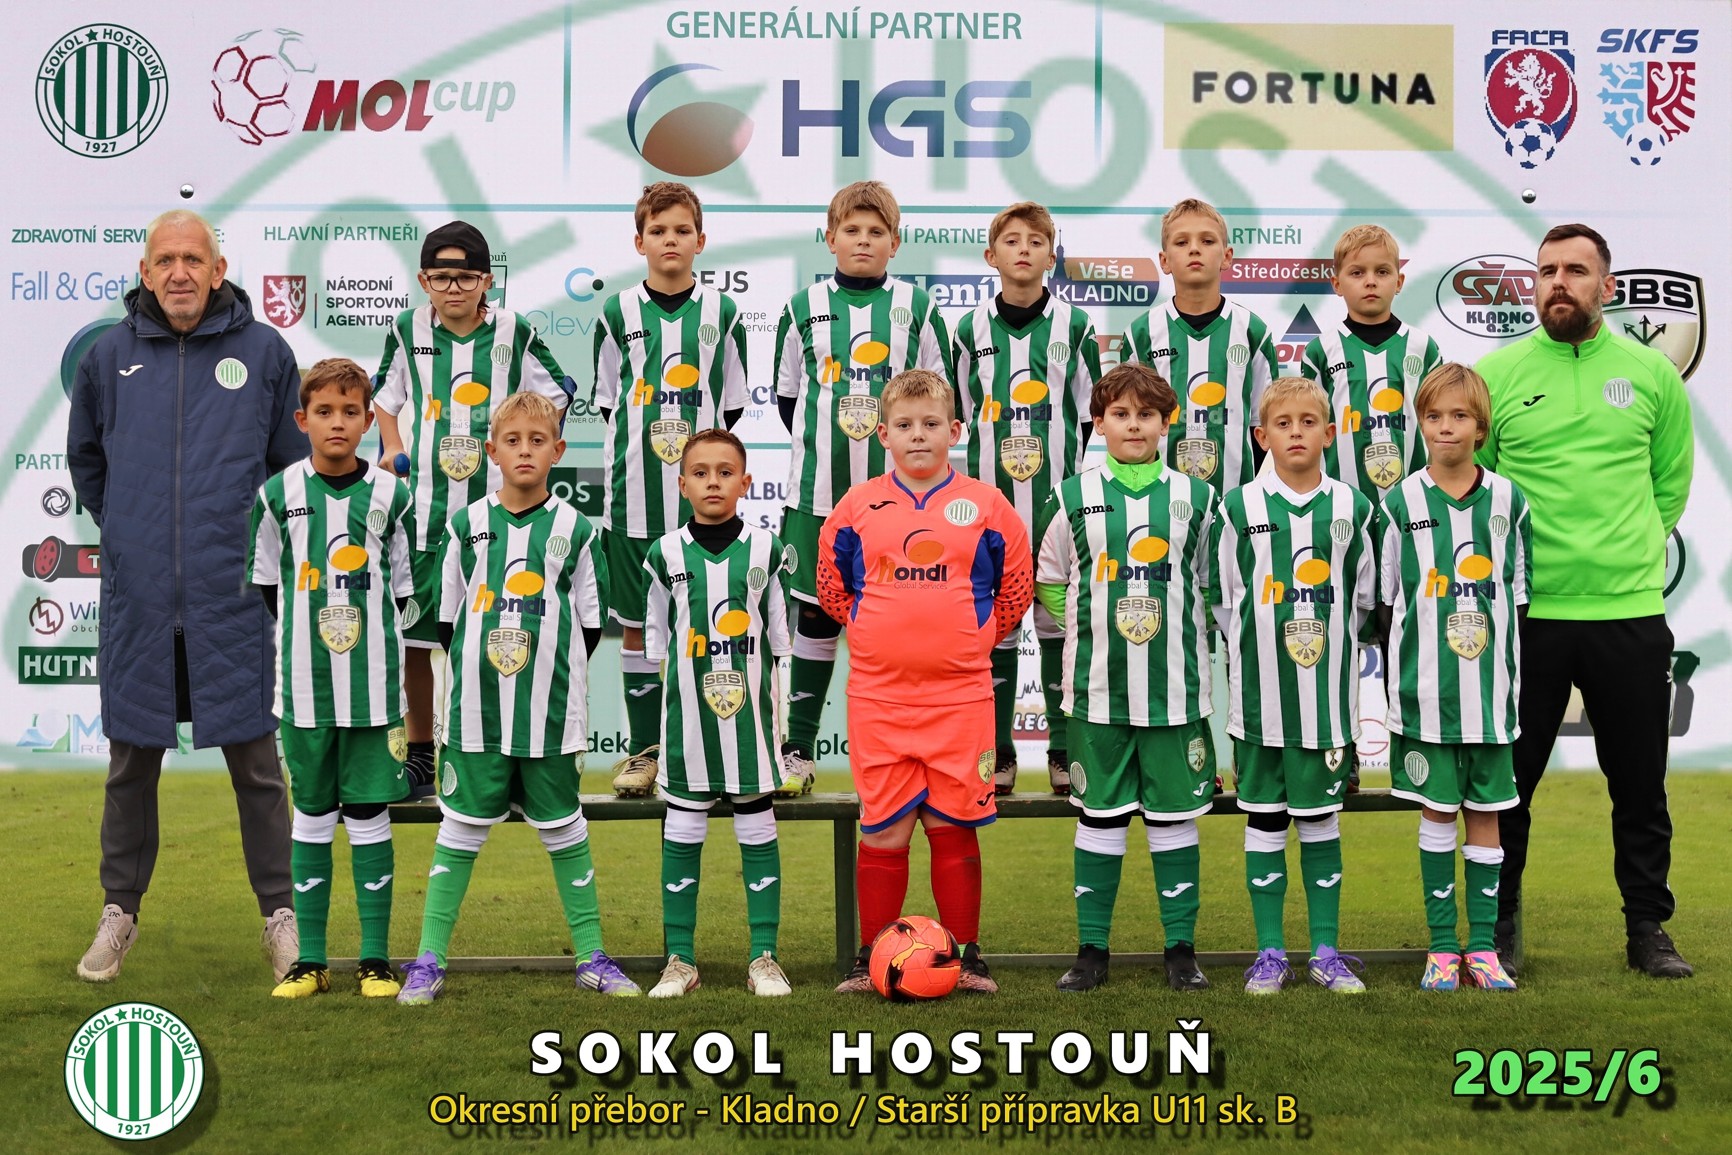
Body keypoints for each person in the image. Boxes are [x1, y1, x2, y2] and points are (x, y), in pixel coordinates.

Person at [68, 209, 305, 983]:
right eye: (165, 260)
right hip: (139, 599)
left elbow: (291, 469)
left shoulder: (265, 352)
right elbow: (88, 464)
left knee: (258, 767)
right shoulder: (108, 357)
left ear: (217, 269)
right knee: (131, 765)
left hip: (230, 595)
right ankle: (118, 912)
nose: (178, 272)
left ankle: (282, 916)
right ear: (144, 271)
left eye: (192, 259)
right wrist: (132, 533)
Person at [1476, 223, 1696, 979]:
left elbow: (1670, 483)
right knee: (1507, 789)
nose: (1558, 283)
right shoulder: (1497, 374)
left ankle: (1648, 929)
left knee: (1639, 787)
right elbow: (1480, 485)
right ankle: (1498, 926)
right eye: (1546, 271)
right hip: (1526, 615)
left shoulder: (1651, 373)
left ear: (1606, 285)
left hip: (1626, 613)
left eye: (1575, 270)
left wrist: (1626, 550)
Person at [397, 392, 638, 1004]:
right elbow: (448, 622)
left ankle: (591, 956)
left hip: (551, 716)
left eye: (537, 440)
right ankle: (428, 960)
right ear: (491, 452)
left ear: (558, 450)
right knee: (459, 830)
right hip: (476, 715)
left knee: (564, 830)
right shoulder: (465, 526)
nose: (525, 450)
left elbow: (589, 625)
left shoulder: (577, 530)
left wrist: (546, 672)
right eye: (513, 440)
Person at [816, 369, 1033, 994]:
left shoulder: (987, 504)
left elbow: (1015, 587)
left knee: (952, 826)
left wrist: (975, 638)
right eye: (905, 425)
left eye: (931, 424)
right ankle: (870, 959)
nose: (918, 435)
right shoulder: (856, 506)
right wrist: (869, 627)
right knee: (884, 828)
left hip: (961, 698)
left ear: (954, 431)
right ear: (882, 434)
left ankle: (967, 958)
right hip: (879, 698)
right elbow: (832, 587)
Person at [1034, 364, 1219, 992]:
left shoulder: (1198, 498)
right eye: (1120, 414)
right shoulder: (1071, 496)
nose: (1133, 425)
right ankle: (1092, 952)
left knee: (1173, 822)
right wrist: (1093, 624)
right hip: (1097, 696)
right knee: (1100, 820)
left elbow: (1213, 587)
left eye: (1146, 414)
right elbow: (1051, 582)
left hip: (1175, 695)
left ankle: (1181, 952)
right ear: (1099, 423)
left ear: (1167, 423)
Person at [373, 221, 573, 798]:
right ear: (423, 281)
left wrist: (523, 448)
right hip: (423, 518)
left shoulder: (514, 330)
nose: (453, 288)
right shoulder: (406, 328)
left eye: (465, 277)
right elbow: (385, 396)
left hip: (493, 522)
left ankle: (501, 749)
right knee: (415, 642)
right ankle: (420, 753)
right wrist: (393, 445)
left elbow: (558, 391)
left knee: (497, 634)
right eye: (441, 278)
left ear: (487, 280)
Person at [774, 181, 953, 794]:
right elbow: (790, 399)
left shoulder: (917, 307)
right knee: (816, 618)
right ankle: (798, 750)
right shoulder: (802, 307)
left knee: (901, 619)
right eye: (851, 230)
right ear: (830, 238)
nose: (863, 241)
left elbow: (935, 399)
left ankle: (909, 751)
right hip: (819, 496)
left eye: (876, 232)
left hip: (899, 504)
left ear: (895, 243)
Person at [246, 358, 415, 998]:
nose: (337, 422)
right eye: (324, 411)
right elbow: (270, 585)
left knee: (368, 816)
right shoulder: (276, 495)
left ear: (370, 420)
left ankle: (375, 960)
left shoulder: (392, 496)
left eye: (350, 411)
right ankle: (310, 961)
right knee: (312, 817)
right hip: (305, 693)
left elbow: (404, 591)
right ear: (302, 420)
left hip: (374, 694)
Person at [1210, 377, 1376, 994]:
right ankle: (1270, 953)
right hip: (1259, 707)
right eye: (1283, 424)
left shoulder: (1353, 508)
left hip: (1325, 707)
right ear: (1261, 436)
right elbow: (1224, 599)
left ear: (1330, 433)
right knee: (1264, 822)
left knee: (1320, 822)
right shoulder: (1236, 508)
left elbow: (1362, 600)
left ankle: (1326, 952)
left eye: (1309, 422)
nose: (1297, 433)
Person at [592, 183, 749, 797]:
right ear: (640, 242)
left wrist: (700, 474)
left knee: (709, 624)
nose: (670, 240)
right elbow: (611, 403)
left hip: (699, 508)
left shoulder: (722, 314)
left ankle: (706, 747)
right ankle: (644, 750)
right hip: (634, 501)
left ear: (700, 240)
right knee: (637, 628)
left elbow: (728, 411)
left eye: (682, 230)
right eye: (658, 231)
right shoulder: (616, 313)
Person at [1380, 364, 1530, 992]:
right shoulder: (1399, 502)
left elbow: (1516, 595)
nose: (1446, 427)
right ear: (1420, 423)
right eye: (1434, 416)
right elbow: (1388, 599)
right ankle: (1442, 948)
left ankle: (1483, 949)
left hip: (1490, 700)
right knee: (1439, 814)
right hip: (1426, 699)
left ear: (1480, 427)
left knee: (1486, 815)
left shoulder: (1509, 500)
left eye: (1460, 416)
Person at [954, 201, 1101, 796]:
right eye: (1012, 241)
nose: (1024, 249)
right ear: (991, 256)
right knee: (997, 631)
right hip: (986, 515)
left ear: (1051, 256)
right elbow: (961, 415)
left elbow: (1088, 417)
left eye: (1036, 241)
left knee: (1059, 626)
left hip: (1056, 512)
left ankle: (1063, 753)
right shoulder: (968, 330)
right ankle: (1000, 752)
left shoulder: (1077, 327)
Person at [642, 430, 794, 998]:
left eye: (725, 472)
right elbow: (657, 642)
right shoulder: (663, 554)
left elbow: (779, 642)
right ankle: (680, 960)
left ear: (745, 482)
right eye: (701, 473)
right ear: (682, 484)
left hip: (750, 725)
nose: (713, 482)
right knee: (683, 830)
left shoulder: (768, 551)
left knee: (757, 829)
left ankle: (764, 957)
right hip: (688, 725)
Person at [1121, 198, 1279, 496]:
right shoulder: (1142, 334)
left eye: (1207, 241)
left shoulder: (1252, 331)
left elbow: (1263, 427)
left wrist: (1241, 490)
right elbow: (1129, 424)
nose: (1194, 249)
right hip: (1158, 499)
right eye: (1182, 242)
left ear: (1227, 256)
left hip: (1233, 499)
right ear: (1164, 261)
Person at [1303, 225, 1444, 503]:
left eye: (1382, 272)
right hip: (1341, 503)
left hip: (1414, 502)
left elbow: (1441, 423)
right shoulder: (1321, 351)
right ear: (1337, 284)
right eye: (1357, 273)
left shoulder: (1422, 347)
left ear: (1399, 281)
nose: (1370, 281)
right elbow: (1310, 428)